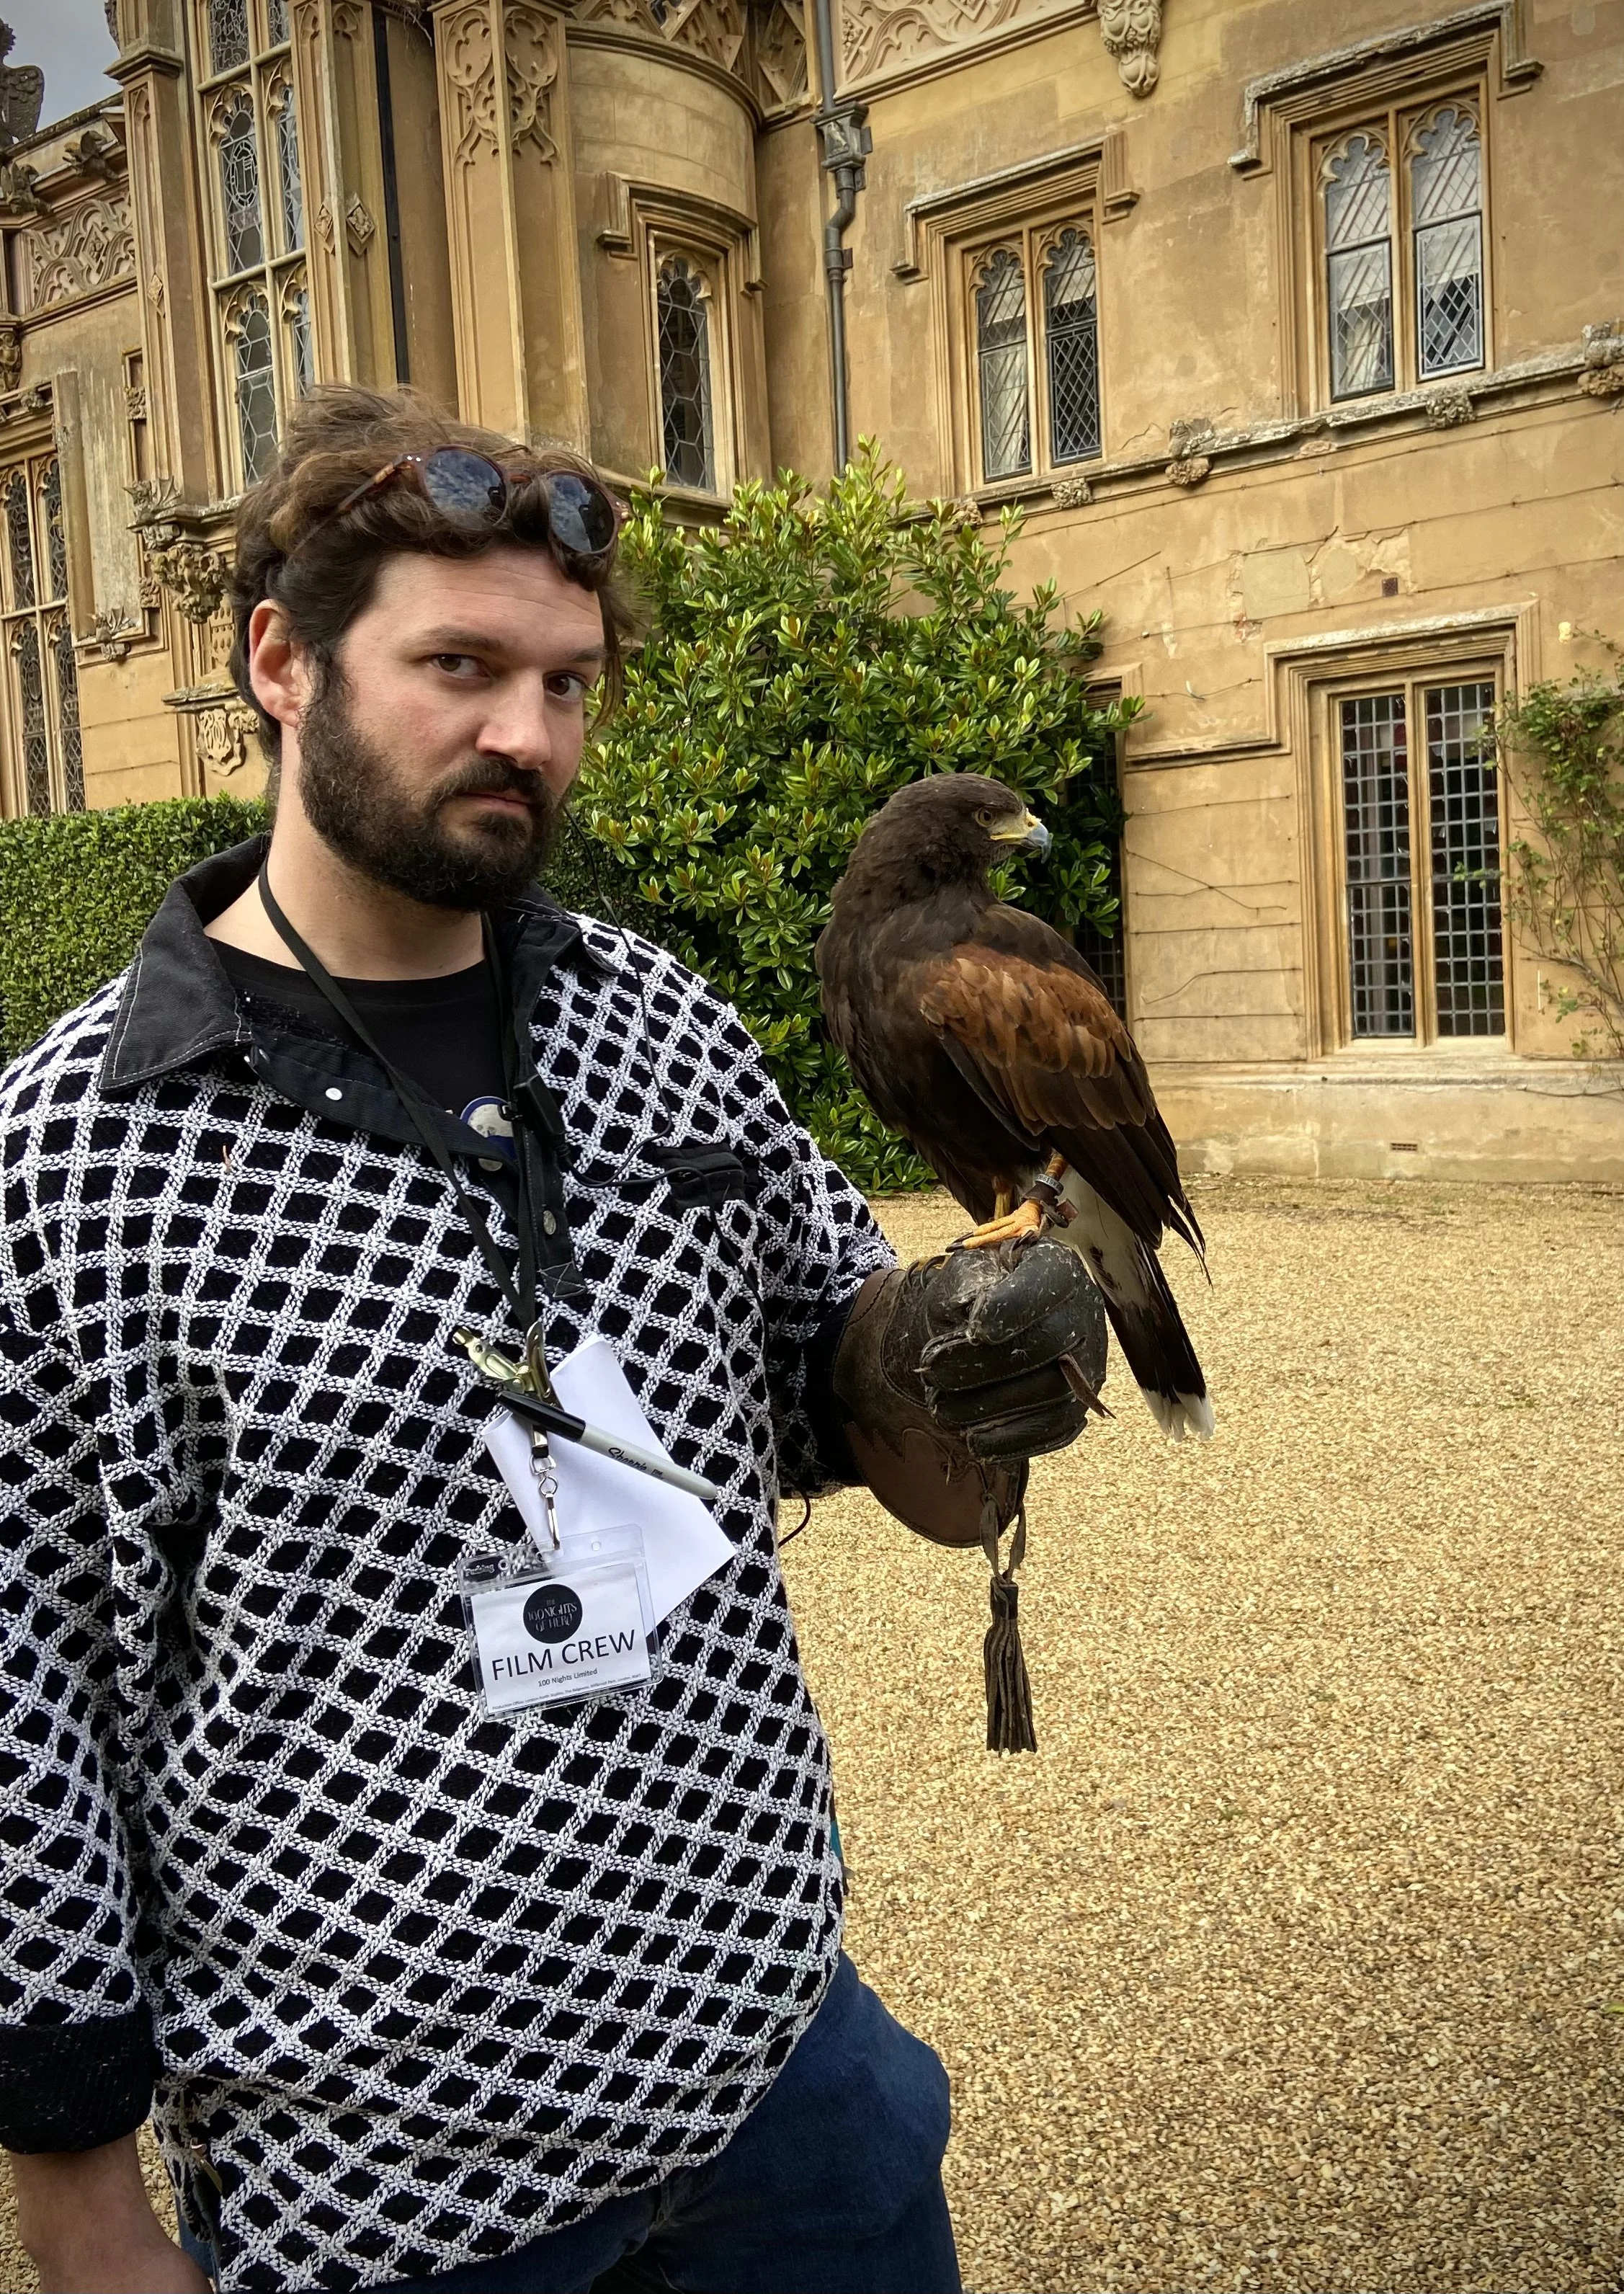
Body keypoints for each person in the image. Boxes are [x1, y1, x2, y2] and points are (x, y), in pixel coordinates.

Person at [0, 386, 1102, 2294]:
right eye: (459, 665)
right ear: (283, 659)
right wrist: (88, 2220)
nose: (527, 731)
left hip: (786, 2103)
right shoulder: (67, 1155)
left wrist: (958, 1358)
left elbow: (876, 1433)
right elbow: (25, 1734)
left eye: (567, 681)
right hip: (388, 2199)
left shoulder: (655, 1025)